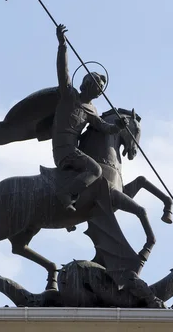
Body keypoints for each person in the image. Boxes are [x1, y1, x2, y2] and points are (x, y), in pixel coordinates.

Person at [52, 24, 127, 211]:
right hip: (64, 149)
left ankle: (76, 205)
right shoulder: (69, 95)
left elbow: (104, 127)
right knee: (95, 170)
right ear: (87, 84)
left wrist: (118, 125)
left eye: (101, 88)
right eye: (98, 86)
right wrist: (62, 46)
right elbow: (63, 71)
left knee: (94, 173)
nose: (100, 91)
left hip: (74, 151)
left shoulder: (91, 110)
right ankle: (66, 195)